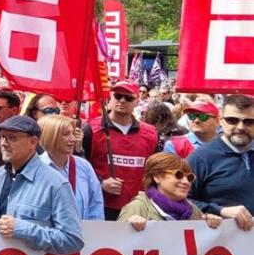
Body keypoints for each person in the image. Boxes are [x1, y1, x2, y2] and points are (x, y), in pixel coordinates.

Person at [0, 116, 83, 255]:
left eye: (12, 138)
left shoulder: (56, 183)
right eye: (2, 137)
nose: (4, 143)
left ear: (32, 142)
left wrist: (23, 229)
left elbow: (72, 240)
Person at [82, 81, 158, 220]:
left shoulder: (151, 134)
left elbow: (157, 169)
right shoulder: (91, 129)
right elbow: (80, 165)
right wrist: (100, 183)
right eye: (117, 96)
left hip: (138, 209)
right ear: (110, 98)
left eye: (128, 98)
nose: (122, 100)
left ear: (137, 101)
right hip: (100, 207)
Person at [188, 94, 254, 231]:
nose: (240, 127)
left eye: (249, 122)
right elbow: (180, 200)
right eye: (232, 120)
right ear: (220, 121)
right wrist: (219, 210)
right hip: (222, 239)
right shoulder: (201, 157)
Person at [118, 153, 221, 230]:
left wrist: (210, 224)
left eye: (189, 177)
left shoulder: (193, 210)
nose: (186, 182)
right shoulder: (137, 208)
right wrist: (128, 227)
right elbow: (118, 244)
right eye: (178, 175)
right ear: (157, 177)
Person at [38, 115, 104, 220]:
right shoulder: (35, 167)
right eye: (66, 134)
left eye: (73, 133)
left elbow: (95, 206)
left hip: (80, 229)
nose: (73, 139)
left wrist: (94, 228)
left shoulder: (84, 166)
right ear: (50, 136)